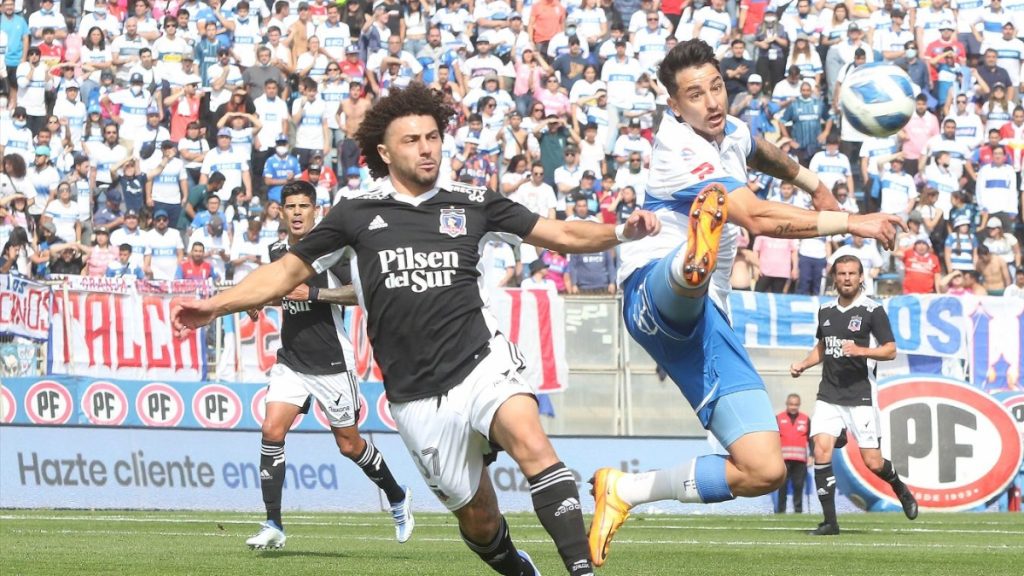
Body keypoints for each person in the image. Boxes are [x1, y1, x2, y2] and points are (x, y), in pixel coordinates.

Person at [173, 82, 660, 576]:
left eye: (432, 137)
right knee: (479, 520)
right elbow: (283, 273)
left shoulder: (473, 201)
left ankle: (581, 571)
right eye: (412, 140)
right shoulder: (354, 214)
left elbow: (561, 233)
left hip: (481, 360)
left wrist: (622, 231)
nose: (427, 148)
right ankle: (519, 568)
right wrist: (215, 307)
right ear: (384, 152)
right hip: (415, 394)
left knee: (531, 441)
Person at [587, 39, 902, 568]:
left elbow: (760, 150)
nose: (712, 101)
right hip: (650, 292)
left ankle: (625, 490)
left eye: (717, 87)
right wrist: (852, 221)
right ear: (674, 106)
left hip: (711, 320)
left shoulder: (727, 129)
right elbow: (756, 218)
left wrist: (814, 184)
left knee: (764, 469)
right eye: (695, 95)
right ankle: (691, 263)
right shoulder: (678, 148)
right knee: (688, 273)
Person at [242, 181, 414, 550]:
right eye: (291, 206)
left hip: (332, 362)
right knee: (271, 430)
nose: (297, 212)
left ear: (316, 210)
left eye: (304, 206)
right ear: (282, 212)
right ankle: (273, 523)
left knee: (349, 445)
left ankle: (397, 496)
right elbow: (278, 288)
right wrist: (258, 299)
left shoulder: (334, 252)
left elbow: (361, 293)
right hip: (292, 360)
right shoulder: (278, 251)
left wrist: (315, 293)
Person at [789, 255, 918, 535]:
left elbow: (890, 350)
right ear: (834, 278)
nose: (846, 278)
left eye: (851, 273)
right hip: (829, 393)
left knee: (873, 462)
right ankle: (830, 523)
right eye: (841, 273)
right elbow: (823, 347)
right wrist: (803, 364)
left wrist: (862, 351)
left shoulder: (873, 311)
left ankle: (899, 487)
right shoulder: (825, 310)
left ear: (861, 277)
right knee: (820, 449)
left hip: (860, 395)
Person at [776, 393, 809, 514]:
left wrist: (812, 455)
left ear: (799, 405)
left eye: (796, 405)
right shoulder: (778, 418)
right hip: (783, 460)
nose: (793, 407)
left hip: (800, 460)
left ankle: (798, 511)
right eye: (791, 404)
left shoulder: (805, 419)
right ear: (787, 404)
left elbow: (810, 438)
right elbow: (773, 438)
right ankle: (781, 511)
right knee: (782, 486)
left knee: (798, 486)